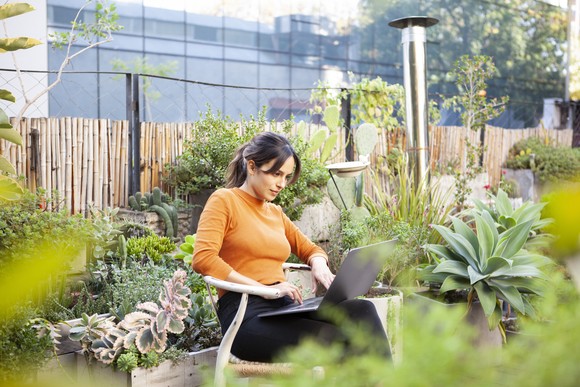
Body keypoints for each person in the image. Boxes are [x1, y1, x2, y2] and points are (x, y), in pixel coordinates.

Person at [192, 131, 390, 362]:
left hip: (284, 309)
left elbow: (311, 249)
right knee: (336, 340)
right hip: (245, 316)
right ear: (252, 167)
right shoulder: (225, 200)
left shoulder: (275, 212)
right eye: (276, 174)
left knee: (362, 311)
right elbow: (203, 259)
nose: (282, 184)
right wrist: (263, 289)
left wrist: (319, 265)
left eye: (286, 177)